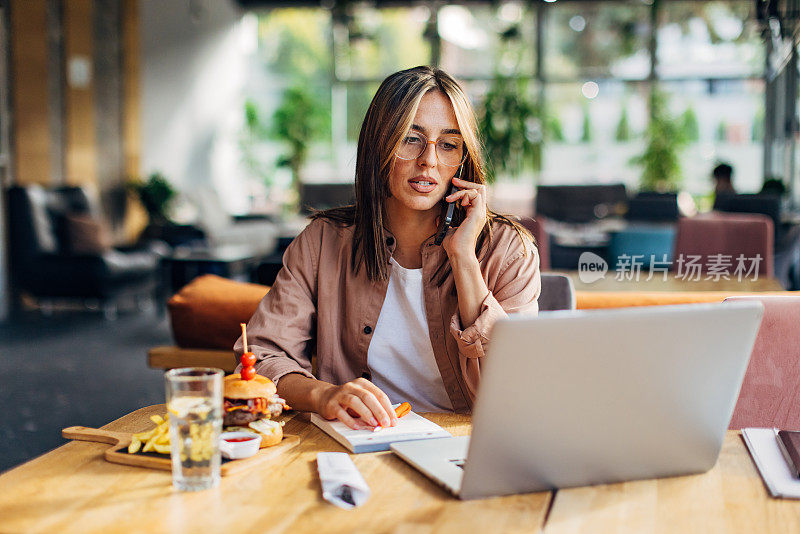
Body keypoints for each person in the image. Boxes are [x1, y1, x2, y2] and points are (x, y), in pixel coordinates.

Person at [235, 66, 541, 430]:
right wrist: (324, 395)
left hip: (467, 446)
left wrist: (463, 259)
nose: (429, 160)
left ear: (463, 158)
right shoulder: (323, 242)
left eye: (448, 144)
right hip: (360, 443)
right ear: (379, 144)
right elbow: (262, 355)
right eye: (410, 139)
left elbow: (516, 385)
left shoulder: (508, 250)